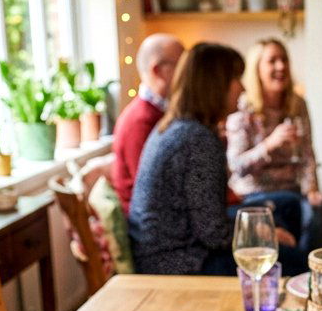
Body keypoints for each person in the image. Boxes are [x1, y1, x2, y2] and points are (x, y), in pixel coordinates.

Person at [128, 43, 301, 277]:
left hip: (170, 249)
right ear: (215, 86)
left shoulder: (177, 126)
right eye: (235, 79)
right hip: (181, 262)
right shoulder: (197, 139)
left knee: (284, 207)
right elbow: (213, 234)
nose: (241, 87)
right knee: (299, 263)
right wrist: (265, 234)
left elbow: (206, 213)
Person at [226, 38, 322, 249]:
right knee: (315, 219)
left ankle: (310, 267)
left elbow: (308, 155)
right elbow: (235, 166)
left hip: (293, 190)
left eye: (284, 60)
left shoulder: (297, 104)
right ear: (257, 68)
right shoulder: (243, 108)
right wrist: (268, 145)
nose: (281, 66)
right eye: (272, 61)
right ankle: (301, 270)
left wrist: (311, 188)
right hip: (254, 192)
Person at [110, 33, 184, 213]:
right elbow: (151, 189)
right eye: (182, 65)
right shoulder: (140, 120)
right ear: (158, 70)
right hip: (147, 225)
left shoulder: (161, 112)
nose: (188, 72)